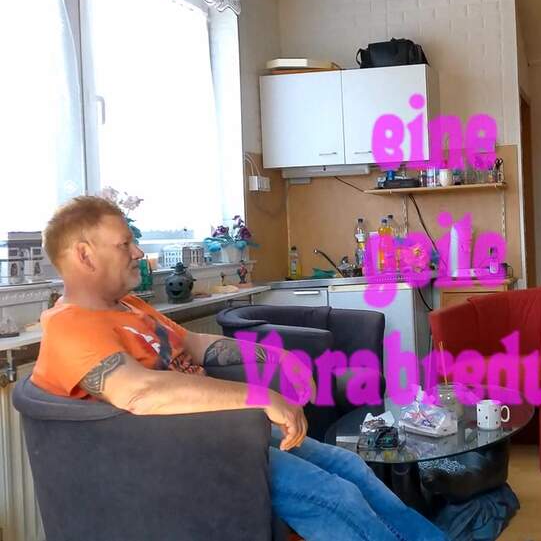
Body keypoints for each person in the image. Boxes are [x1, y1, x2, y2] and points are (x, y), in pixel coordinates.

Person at [31, 195, 446, 541]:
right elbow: (138, 392)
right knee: (334, 496)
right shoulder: (70, 326)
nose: (138, 252)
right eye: (124, 244)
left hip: (230, 431)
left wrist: (277, 357)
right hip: (190, 451)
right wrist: (261, 397)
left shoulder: (129, 307)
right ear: (84, 254)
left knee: (352, 467)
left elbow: (194, 343)